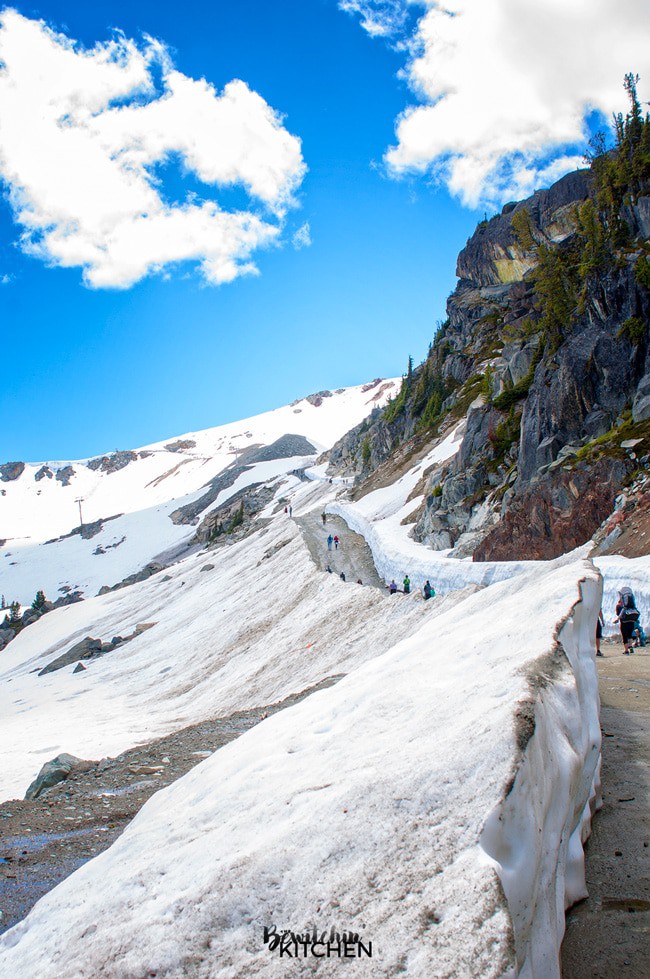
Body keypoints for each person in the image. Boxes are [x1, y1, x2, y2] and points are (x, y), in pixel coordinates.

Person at [615, 588, 640, 655]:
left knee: (624, 636)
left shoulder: (620, 606)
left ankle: (626, 650)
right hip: (631, 620)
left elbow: (618, 613)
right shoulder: (632, 605)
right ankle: (630, 646)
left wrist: (618, 619)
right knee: (630, 635)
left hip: (624, 622)